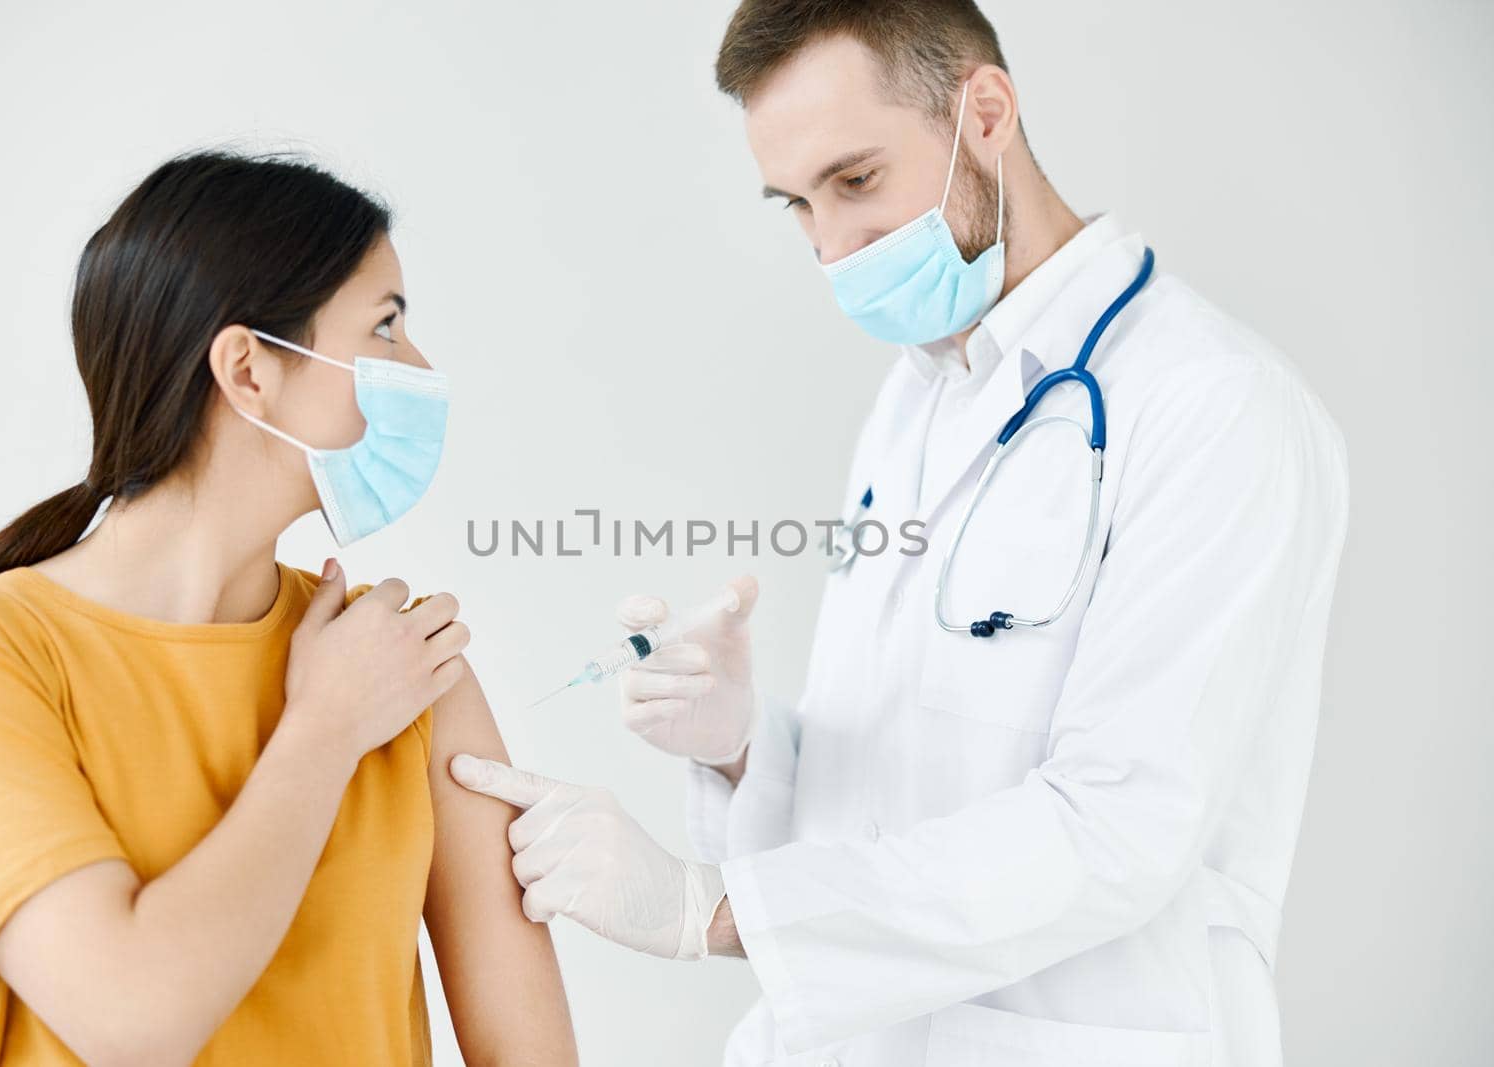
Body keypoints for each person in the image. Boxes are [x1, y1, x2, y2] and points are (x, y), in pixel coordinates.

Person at [448, 2, 1349, 1065]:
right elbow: (902, 779)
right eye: (797, 204)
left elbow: (1118, 828)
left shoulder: (1209, 406)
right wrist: (745, 749)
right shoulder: (921, 393)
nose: (832, 247)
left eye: (856, 181)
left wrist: (714, 907)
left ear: (985, 111)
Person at [0, 151, 579, 1066]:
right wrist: (325, 729)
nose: (419, 367)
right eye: (386, 326)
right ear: (249, 370)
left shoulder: (403, 660)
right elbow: (132, 1018)